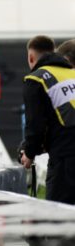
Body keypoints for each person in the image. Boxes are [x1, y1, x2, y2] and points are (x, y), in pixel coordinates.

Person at [19, 35, 75, 205]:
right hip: (67, 148)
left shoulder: (35, 79)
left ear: (31, 57)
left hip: (66, 161)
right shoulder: (71, 74)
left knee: (58, 217)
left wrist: (29, 153)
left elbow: (35, 125)